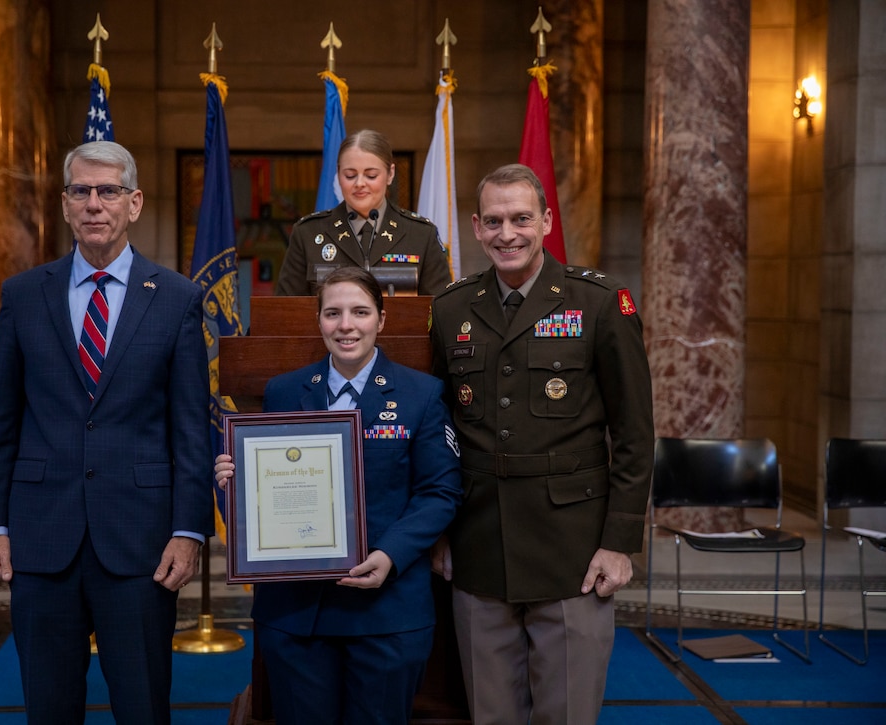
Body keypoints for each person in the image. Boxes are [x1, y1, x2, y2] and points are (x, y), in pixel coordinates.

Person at [0, 140, 214, 725]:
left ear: (133, 203)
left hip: (140, 543)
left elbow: (189, 431)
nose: (94, 204)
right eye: (80, 191)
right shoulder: (23, 294)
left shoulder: (178, 299)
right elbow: (0, 422)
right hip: (40, 538)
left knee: (142, 708)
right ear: (63, 204)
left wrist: (190, 530)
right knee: (50, 711)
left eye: (108, 191)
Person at [429, 164, 654, 725]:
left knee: (567, 714)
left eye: (522, 219)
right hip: (479, 544)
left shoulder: (600, 302)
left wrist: (620, 542)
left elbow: (633, 432)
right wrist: (436, 530)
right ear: (476, 228)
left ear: (547, 222)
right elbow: (439, 428)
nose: (508, 233)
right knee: (490, 714)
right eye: (496, 221)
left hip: (572, 549)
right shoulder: (450, 308)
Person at [215, 267, 462, 724]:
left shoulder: (421, 394)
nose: (346, 325)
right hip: (298, 614)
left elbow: (440, 491)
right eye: (333, 313)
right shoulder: (284, 391)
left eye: (360, 312)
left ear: (381, 320)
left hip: (387, 611)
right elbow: (266, 494)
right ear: (319, 320)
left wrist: (391, 553)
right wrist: (233, 481)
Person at [275, 129, 452, 296]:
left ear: (390, 174)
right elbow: (284, 311)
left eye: (371, 175)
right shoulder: (308, 233)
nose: (359, 183)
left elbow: (442, 311)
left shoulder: (421, 234)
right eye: (350, 175)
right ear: (337, 174)